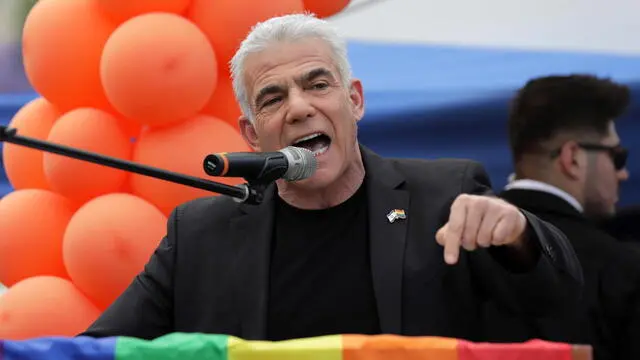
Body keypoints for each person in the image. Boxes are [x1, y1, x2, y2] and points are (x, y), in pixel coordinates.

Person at [81, 14, 582, 343]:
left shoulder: (445, 195)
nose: (300, 108)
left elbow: (561, 303)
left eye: (317, 84)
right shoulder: (200, 234)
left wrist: (519, 236)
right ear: (251, 135)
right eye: (273, 98)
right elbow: (100, 351)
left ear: (355, 101)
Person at [501, 74, 640, 360]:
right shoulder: (622, 269)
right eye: (617, 156)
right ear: (572, 158)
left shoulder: (450, 246)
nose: (623, 173)